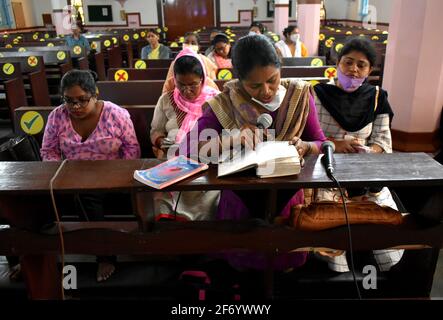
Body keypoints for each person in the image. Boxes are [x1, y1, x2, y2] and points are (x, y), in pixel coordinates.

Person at [180, 34, 326, 270]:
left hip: (289, 197)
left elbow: (320, 141)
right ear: (239, 80)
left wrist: (306, 146)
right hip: (240, 199)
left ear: (280, 67)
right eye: (255, 86)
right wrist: (231, 139)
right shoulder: (225, 103)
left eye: (273, 79)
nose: (267, 91)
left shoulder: (298, 95)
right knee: (243, 264)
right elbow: (188, 149)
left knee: (284, 263)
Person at [313, 37, 403, 273]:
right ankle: (336, 267)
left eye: (361, 65)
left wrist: (369, 151)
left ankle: (380, 263)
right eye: (348, 62)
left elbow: (383, 141)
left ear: (369, 70)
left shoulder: (376, 97)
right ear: (338, 63)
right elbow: (306, 138)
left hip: (364, 169)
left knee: (382, 214)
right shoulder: (319, 93)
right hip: (326, 166)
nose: (353, 69)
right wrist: (335, 144)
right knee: (329, 216)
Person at [41, 70, 141, 282]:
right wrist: (58, 171)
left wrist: (119, 177)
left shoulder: (116, 114)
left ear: (95, 94)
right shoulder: (57, 116)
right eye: (69, 101)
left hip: (111, 178)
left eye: (82, 100)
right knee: (34, 200)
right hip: (69, 177)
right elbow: (48, 150)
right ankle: (33, 256)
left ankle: (104, 256)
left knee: (85, 196)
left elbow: (132, 150)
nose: (75, 107)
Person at [150, 48, 220, 221]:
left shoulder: (216, 100)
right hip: (172, 160)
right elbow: (156, 130)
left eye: (193, 85)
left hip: (207, 161)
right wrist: (161, 142)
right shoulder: (166, 99)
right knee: (163, 194)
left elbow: (225, 133)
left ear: (203, 79)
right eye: (181, 84)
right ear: (175, 80)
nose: (187, 91)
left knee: (209, 192)